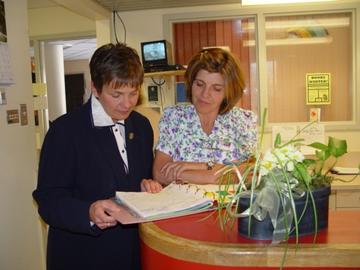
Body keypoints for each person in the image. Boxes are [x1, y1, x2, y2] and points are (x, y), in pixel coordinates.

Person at [33, 43, 162, 270]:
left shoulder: (141, 126)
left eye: (133, 93)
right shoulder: (65, 131)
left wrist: (148, 186)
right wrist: (88, 212)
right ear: (95, 88)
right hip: (84, 255)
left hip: (133, 253)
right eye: (117, 94)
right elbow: (48, 200)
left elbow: (138, 178)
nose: (127, 103)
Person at [153, 47, 257, 185]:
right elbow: (160, 174)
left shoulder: (243, 121)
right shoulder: (173, 118)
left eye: (216, 88)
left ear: (229, 91)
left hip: (227, 206)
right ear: (191, 83)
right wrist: (226, 171)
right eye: (200, 84)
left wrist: (199, 166)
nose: (205, 94)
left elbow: (251, 174)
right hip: (184, 205)